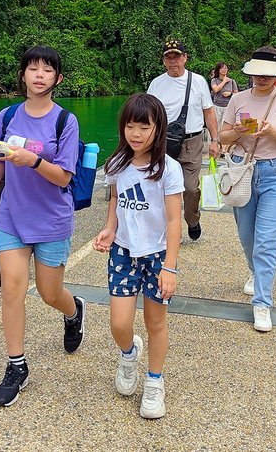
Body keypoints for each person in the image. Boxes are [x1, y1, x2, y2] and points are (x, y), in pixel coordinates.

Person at [0, 45, 85, 407]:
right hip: (11, 218)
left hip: (52, 218)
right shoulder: (7, 117)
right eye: (33, 68)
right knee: (12, 289)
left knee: (51, 293)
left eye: (47, 70)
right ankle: (16, 366)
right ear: (22, 74)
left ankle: (73, 313)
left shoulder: (64, 121)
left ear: (58, 78)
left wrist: (32, 160)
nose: (39, 75)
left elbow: (63, 177)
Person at [93, 93, 184, 419]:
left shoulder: (168, 169)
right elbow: (116, 200)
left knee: (155, 321)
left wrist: (170, 268)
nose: (136, 134)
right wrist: (109, 229)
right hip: (123, 253)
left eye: (143, 127)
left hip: (157, 255)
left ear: (157, 129)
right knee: (119, 323)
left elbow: (175, 220)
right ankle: (129, 353)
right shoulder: (117, 164)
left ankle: (155, 382)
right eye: (130, 126)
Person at [219, 46, 276, 332]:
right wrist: (239, 132)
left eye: (267, 74)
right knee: (247, 237)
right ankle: (255, 272)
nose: (261, 78)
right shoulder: (238, 99)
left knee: (267, 241)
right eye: (257, 73)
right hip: (243, 170)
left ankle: (262, 303)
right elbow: (222, 136)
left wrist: (273, 133)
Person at [147, 38, 219, 241]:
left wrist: (215, 139)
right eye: (168, 57)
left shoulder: (197, 81)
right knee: (161, 186)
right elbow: (149, 115)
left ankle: (192, 218)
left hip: (192, 142)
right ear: (163, 61)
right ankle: (169, 229)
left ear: (185, 58)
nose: (173, 61)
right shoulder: (156, 84)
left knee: (190, 188)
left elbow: (209, 111)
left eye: (177, 56)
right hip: (163, 142)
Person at [209, 61, 239, 145]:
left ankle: (224, 148)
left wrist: (230, 94)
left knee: (226, 128)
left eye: (225, 68)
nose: (224, 70)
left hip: (228, 107)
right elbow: (216, 89)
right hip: (217, 106)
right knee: (216, 128)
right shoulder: (214, 80)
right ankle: (216, 146)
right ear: (218, 69)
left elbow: (237, 94)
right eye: (222, 68)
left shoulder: (232, 81)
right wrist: (224, 81)